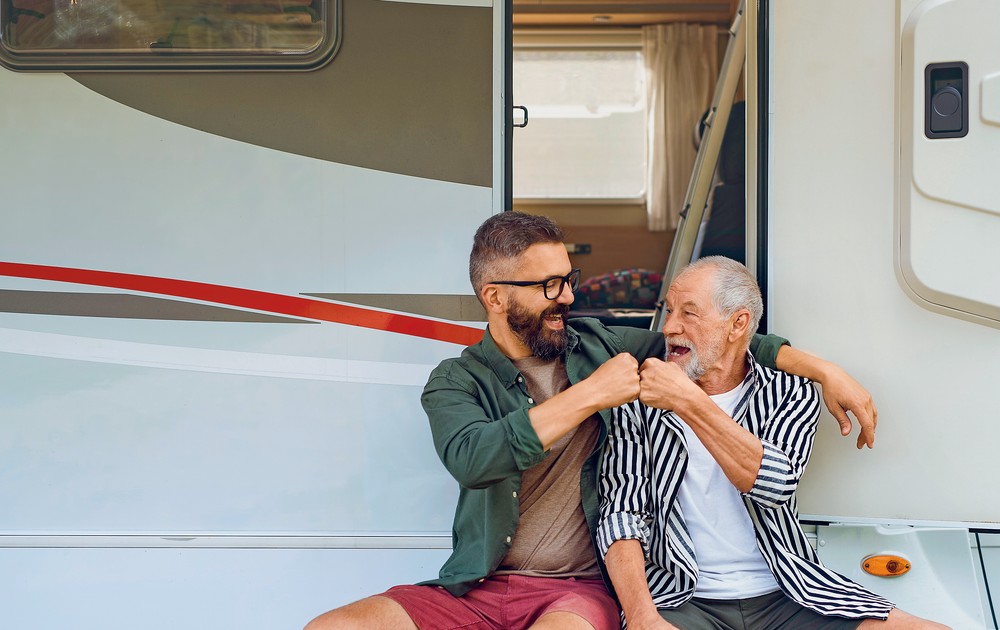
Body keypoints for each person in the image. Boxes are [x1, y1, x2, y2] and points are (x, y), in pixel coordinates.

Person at [306, 213, 879, 630]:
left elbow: (710, 339)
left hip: (574, 592)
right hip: (474, 589)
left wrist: (822, 368)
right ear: (495, 297)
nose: (568, 296)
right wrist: (587, 397)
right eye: (549, 286)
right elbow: (474, 459)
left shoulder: (597, 345)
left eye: (568, 278)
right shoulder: (457, 380)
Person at [597, 256, 947, 629]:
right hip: (682, 599)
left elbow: (774, 485)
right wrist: (642, 617)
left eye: (689, 313)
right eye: (669, 311)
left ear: (738, 324)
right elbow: (621, 516)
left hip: (790, 592)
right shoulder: (636, 401)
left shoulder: (790, 393)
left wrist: (688, 401)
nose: (669, 327)